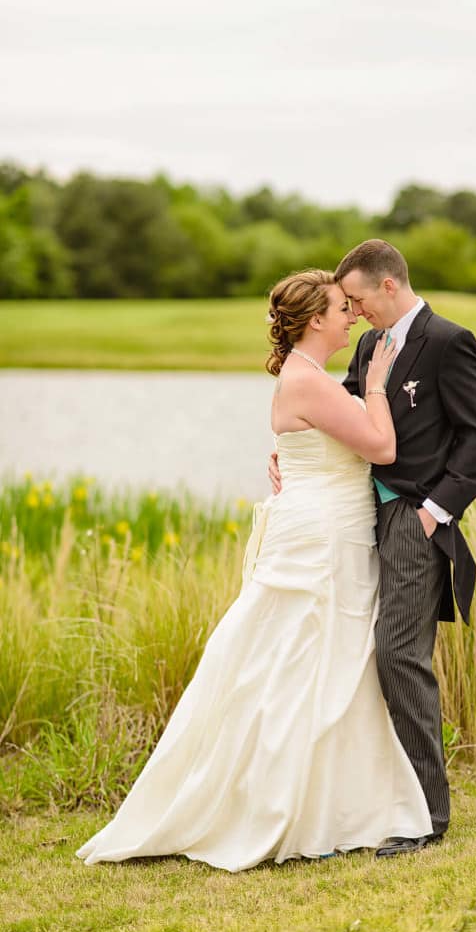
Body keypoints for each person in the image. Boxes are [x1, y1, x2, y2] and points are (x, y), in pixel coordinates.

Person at [78, 270, 432, 871]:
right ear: (315, 320)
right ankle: (280, 808)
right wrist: (375, 386)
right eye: (342, 309)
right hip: (322, 538)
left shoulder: (307, 377)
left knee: (330, 669)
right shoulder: (309, 380)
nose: (351, 317)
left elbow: (314, 448)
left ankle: (331, 805)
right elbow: (382, 449)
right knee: (306, 668)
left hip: (330, 525)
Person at [270, 239, 476, 858]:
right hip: (351, 517)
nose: (354, 311)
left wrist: (433, 512)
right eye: (344, 303)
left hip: (411, 515)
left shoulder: (450, 342)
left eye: (358, 299)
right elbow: (343, 414)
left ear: (388, 287)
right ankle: (373, 802)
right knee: (356, 654)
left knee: (400, 655)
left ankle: (428, 815)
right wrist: (291, 451)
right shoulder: (371, 346)